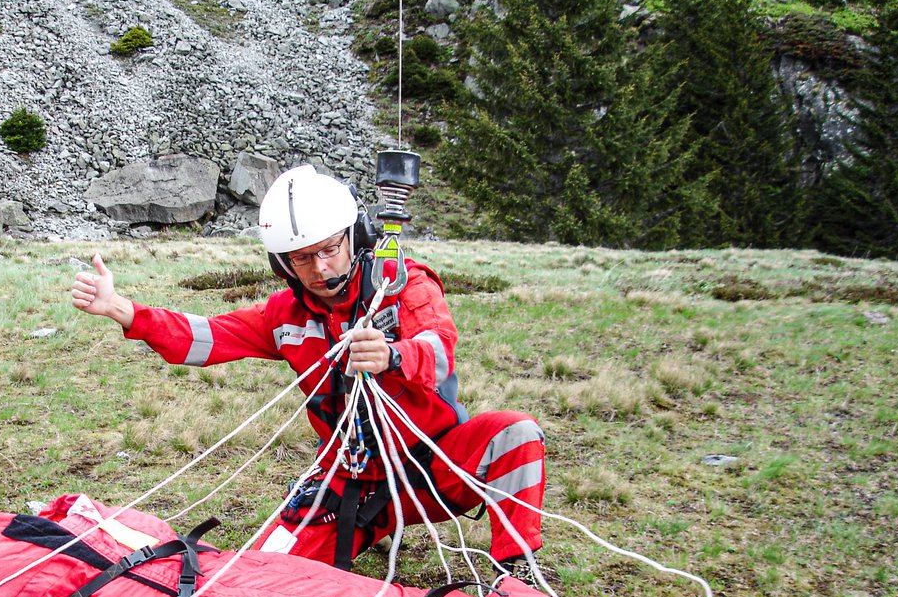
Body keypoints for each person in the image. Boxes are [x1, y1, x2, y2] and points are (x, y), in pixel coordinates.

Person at [70, 164, 546, 571]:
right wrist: (123, 310)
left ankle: (517, 573)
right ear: (283, 265)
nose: (319, 269)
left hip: (433, 468)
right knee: (259, 575)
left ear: (354, 237)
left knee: (515, 434)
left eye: (329, 249)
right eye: (302, 258)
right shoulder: (285, 316)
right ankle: (368, 527)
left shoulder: (403, 284)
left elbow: (439, 349)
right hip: (350, 479)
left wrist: (393, 355)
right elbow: (206, 338)